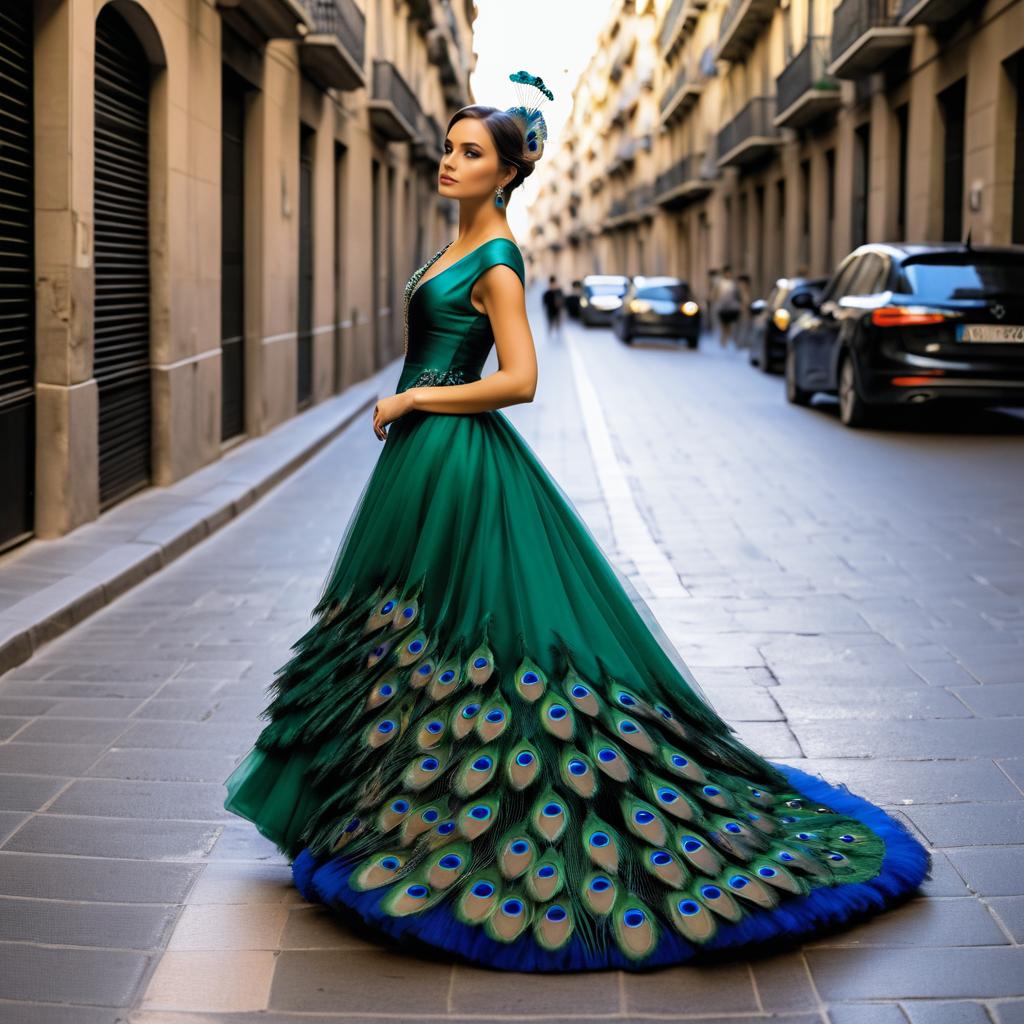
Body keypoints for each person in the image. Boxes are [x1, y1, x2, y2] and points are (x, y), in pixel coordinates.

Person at [223, 69, 929, 973]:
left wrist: (414, 403)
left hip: (454, 458)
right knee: (398, 626)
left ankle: (452, 817)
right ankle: (369, 796)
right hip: (421, 462)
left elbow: (520, 379)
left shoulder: (500, 261)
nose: (449, 161)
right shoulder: (452, 250)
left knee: (466, 630)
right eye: (448, 146)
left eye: (469, 152)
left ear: (507, 174)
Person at [714, 265, 742, 349]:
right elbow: (716, 293)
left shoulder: (733, 283)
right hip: (722, 307)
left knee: (729, 325)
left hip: (731, 307)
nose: (728, 274)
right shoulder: (719, 283)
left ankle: (726, 340)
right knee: (723, 324)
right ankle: (723, 339)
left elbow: (736, 295)